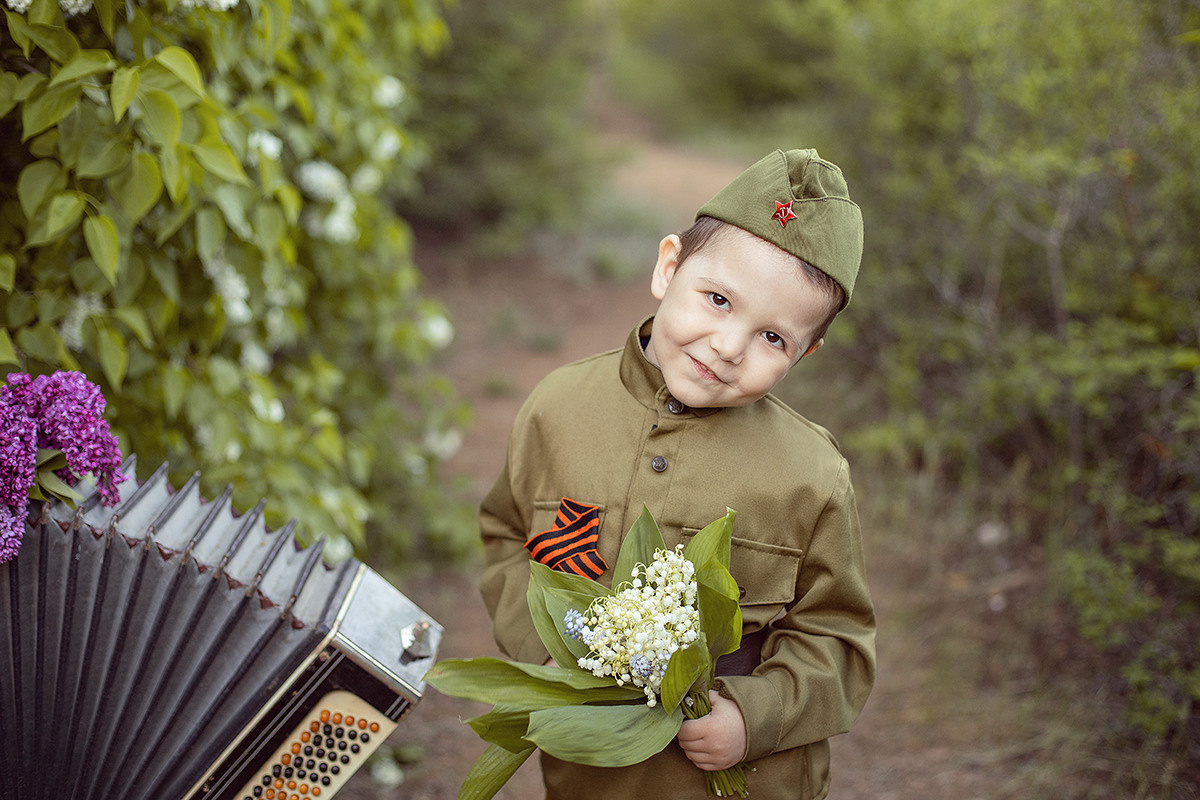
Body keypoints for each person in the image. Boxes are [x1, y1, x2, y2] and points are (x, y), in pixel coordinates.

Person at [479, 148, 876, 800]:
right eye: (718, 299)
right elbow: (505, 537)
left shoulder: (811, 474)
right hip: (593, 778)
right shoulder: (559, 409)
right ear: (669, 267)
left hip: (745, 778)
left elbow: (838, 639)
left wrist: (754, 717)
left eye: (773, 338)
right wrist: (541, 643)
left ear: (807, 352)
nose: (728, 345)